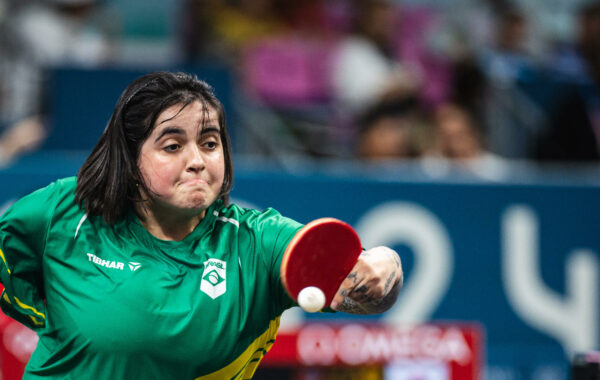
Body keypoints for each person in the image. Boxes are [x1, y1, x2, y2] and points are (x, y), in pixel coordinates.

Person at [0, 71, 403, 379]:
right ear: (130, 157)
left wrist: (382, 265)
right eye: (172, 146)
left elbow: (353, 278)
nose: (197, 160)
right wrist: (47, 315)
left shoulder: (253, 242)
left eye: (209, 143)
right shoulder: (67, 211)